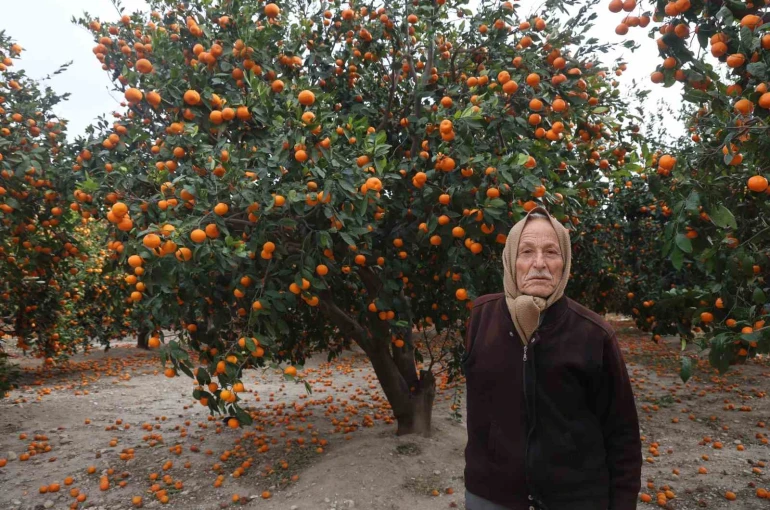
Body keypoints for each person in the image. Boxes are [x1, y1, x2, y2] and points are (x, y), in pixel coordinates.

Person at [462, 206, 642, 510]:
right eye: (527, 251)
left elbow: (622, 432)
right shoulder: (482, 317)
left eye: (551, 252)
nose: (539, 263)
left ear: (566, 262)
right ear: (510, 260)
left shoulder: (593, 334)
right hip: (491, 495)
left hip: (574, 498)